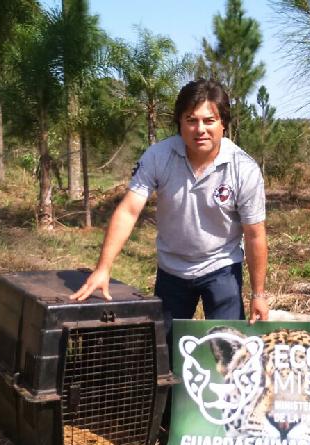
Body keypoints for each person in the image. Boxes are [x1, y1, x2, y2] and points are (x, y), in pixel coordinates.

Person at [68, 78, 269, 327]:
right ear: (179, 123)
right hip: (172, 270)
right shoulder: (158, 156)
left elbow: (254, 234)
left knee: (227, 349)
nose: (200, 129)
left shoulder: (244, 168)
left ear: (223, 124)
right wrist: (102, 268)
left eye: (209, 121)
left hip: (222, 267)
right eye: (191, 120)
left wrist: (258, 295)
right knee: (165, 349)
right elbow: (129, 211)